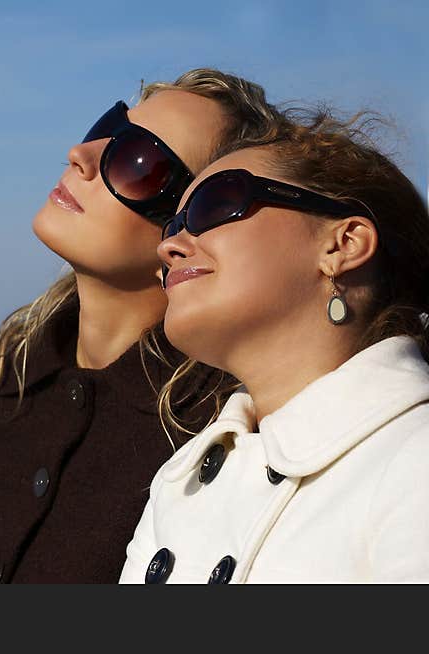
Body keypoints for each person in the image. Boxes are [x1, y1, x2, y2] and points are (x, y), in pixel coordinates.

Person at [0, 69, 283, 583]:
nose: (79, 156)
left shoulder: (220, 427)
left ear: (195, 227)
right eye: (105, 128)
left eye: (135, 161)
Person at [120, 108, 429, 583]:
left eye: (215, 204)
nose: (170, 246)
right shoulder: (179, 480)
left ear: (342, 244)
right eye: (173, 225)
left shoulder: (415, 458)